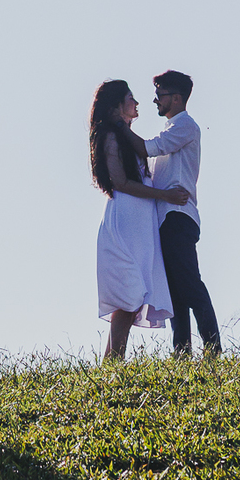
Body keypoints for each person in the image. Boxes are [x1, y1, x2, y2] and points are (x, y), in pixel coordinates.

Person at [90, 79, 191, 360]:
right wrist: (164, 195)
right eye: (130, 98)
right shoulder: (111, 136)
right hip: (126, 221)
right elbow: (120, 182)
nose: (136, 103)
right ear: (117, 106)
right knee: (129, 293)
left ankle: (113, 361)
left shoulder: (125, 138)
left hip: (140, 224)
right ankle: (113, 360)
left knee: (135, 294)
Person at [130, 69, 221, 358]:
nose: (155, 101)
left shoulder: (184, 126)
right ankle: (182, 354)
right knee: (174, 291)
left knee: (189, 284)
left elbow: (148, 148)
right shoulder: (173, 128)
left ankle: (213, 348)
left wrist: (119, 127)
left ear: (177, 98)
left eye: (160, 95)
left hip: (178, 216)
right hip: (166, 218)